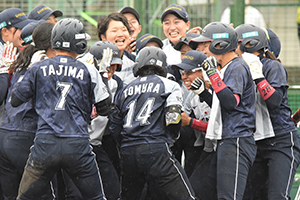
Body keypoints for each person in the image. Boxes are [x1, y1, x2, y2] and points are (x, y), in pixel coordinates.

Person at [10, 18, 111, 200]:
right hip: (77, 145)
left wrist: (34, 71)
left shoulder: (38, 67)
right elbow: (105, 108)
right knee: (95, 198)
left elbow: (15, 100)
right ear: (78, 43)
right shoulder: (88, 69)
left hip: (45, 144)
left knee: (24, 198)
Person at [109, 46, 196, 200]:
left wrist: (127, 143)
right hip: (155, 148)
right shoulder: (169, 84)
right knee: (186, 197)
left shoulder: (125, 88)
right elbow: (173, 118)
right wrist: (172, 139)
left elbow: (115, 126)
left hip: (128, 151)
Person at [189, 22, 257, 200]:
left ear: (220, 45)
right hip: (225, 140)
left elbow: (230, 103)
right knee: (202, 192)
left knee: (229, 196)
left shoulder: (237, 66)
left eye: (205, 44)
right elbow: (222, 106)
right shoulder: (227, 68)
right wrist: (205, 93)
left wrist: (212, 74)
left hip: (236, 140)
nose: (202, 49)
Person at [235, 23, 300, 200]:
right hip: (255, 143)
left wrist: (258, 76)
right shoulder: (238, 69)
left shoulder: (272, 66)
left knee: (277, 196)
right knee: (251, 196)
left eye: (237, 44)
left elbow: (275, 101)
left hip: (281, 141)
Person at [0, 22, 55, 200]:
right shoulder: (45, 66)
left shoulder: (19, 64)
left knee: (11, 196)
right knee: (43, 195)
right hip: (27, 137)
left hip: (5, 136)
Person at [98, 12, 135, 86]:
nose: (120, 34)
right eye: (114, 31)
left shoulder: (134, 62)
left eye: (124, 30)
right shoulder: (93, 62)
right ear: (103, 37)